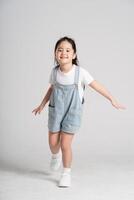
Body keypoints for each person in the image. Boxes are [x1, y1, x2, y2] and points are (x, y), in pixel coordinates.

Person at [32, 36, 125, 188]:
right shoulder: (54, 72)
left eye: (68, 50)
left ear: (74, 55)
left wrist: (111, 99)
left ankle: (66, 173)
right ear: (55, 54)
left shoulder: (80, 73)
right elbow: (51, 89)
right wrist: (42, 105)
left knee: (65, 144)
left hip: (72, 113)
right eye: (60, 50)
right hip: (56, 111)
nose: (64, 53)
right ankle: (55, 156)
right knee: (53, 143)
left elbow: (97, 86)